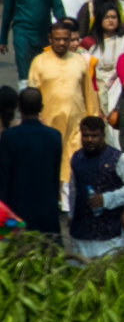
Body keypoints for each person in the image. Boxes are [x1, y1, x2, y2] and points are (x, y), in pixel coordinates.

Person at [30, 20, 99, 190]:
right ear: (50, 39)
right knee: (50, 166)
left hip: (76, 125)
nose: (61, 43)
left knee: (74, 166)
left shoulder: (79, 61)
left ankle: (70, 203)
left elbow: (89, 94)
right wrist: (36, 120)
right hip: (48, 125)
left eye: (65, 39)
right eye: (57, 39)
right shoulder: (39, 62)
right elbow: (32, 97)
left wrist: (94, 121)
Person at [66, 115, 124, 257]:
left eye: (94, 136)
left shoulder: (119, 158)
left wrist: (107, 199)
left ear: (103, 135)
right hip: (81, 232)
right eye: (86, 135)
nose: (89, 140)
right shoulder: (76, 158)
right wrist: (71, 214)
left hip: (110, 234)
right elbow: (73, 189)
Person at [0, 87, 62, 236]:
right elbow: (55, 176)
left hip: (17, 210)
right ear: (41, 108)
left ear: (19, 108)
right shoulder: (54, 136)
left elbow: (4, 177)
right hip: (47, 208)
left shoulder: (9, 136)